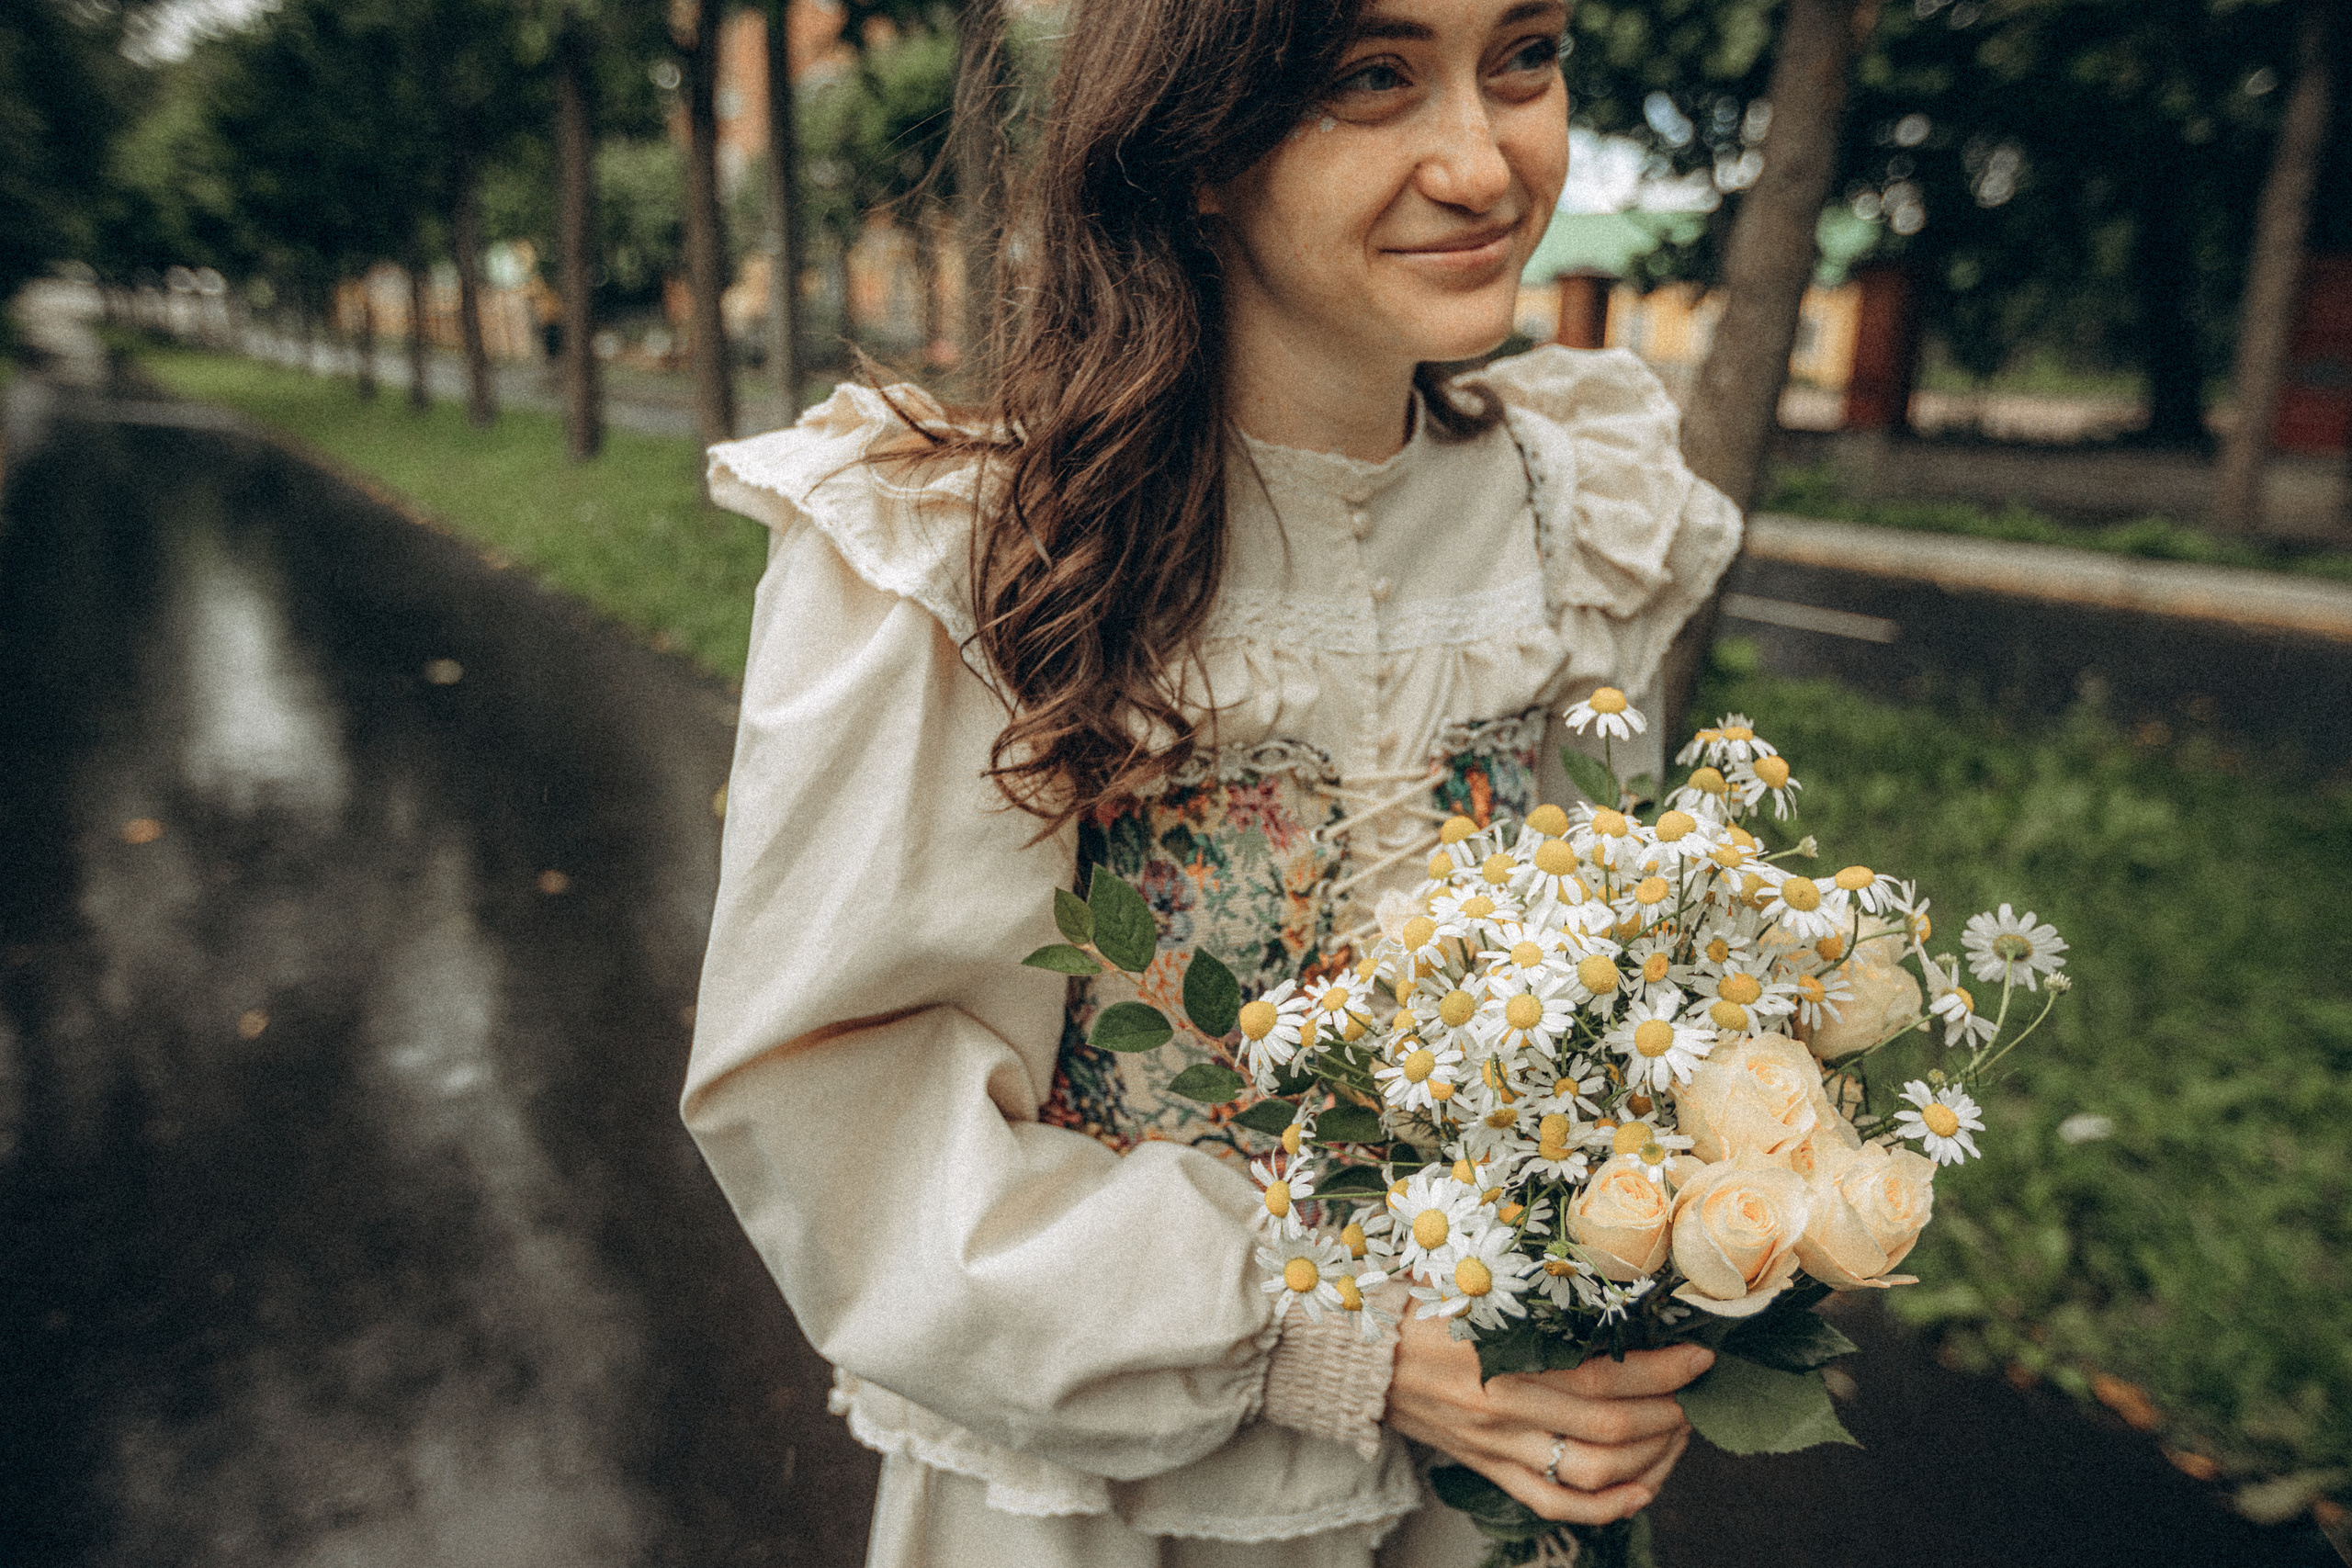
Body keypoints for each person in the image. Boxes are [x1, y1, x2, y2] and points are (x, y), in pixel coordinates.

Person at [683, 0, 1742, 1561]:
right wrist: (1347, 1343)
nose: (1484, 158)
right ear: (1193, 147)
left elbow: (1602, 970)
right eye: (1375, 78)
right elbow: (843, 1134)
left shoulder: (1573, 510)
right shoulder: (965, 554)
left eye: (1522, 55)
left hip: (1496, 1507)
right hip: (1123, 1514)